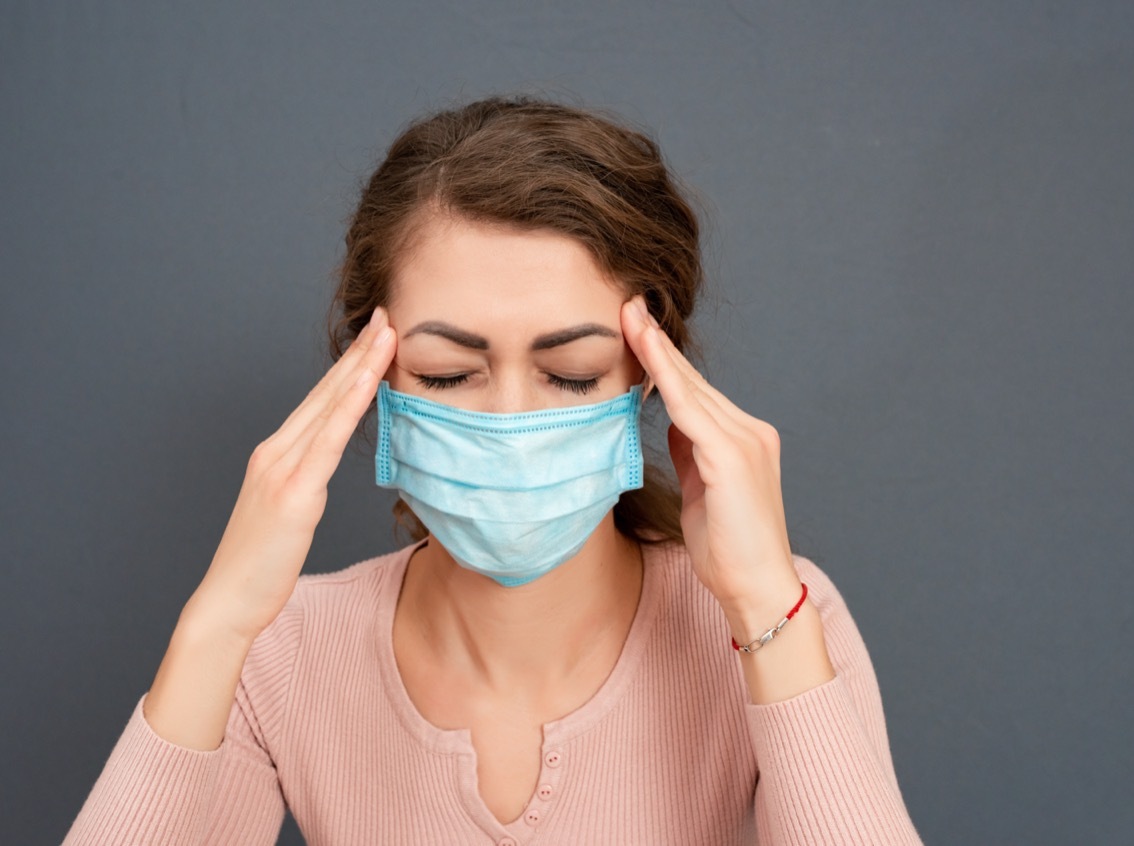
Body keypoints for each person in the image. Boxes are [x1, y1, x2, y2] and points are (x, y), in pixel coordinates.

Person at [63, 96, 924, 845]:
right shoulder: (281, 654)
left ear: (650, 378)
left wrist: (766, 606)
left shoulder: (783, 620)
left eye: (572, 373)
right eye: (447, 374)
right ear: (375, 376)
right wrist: (218, 623)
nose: (511, 422)